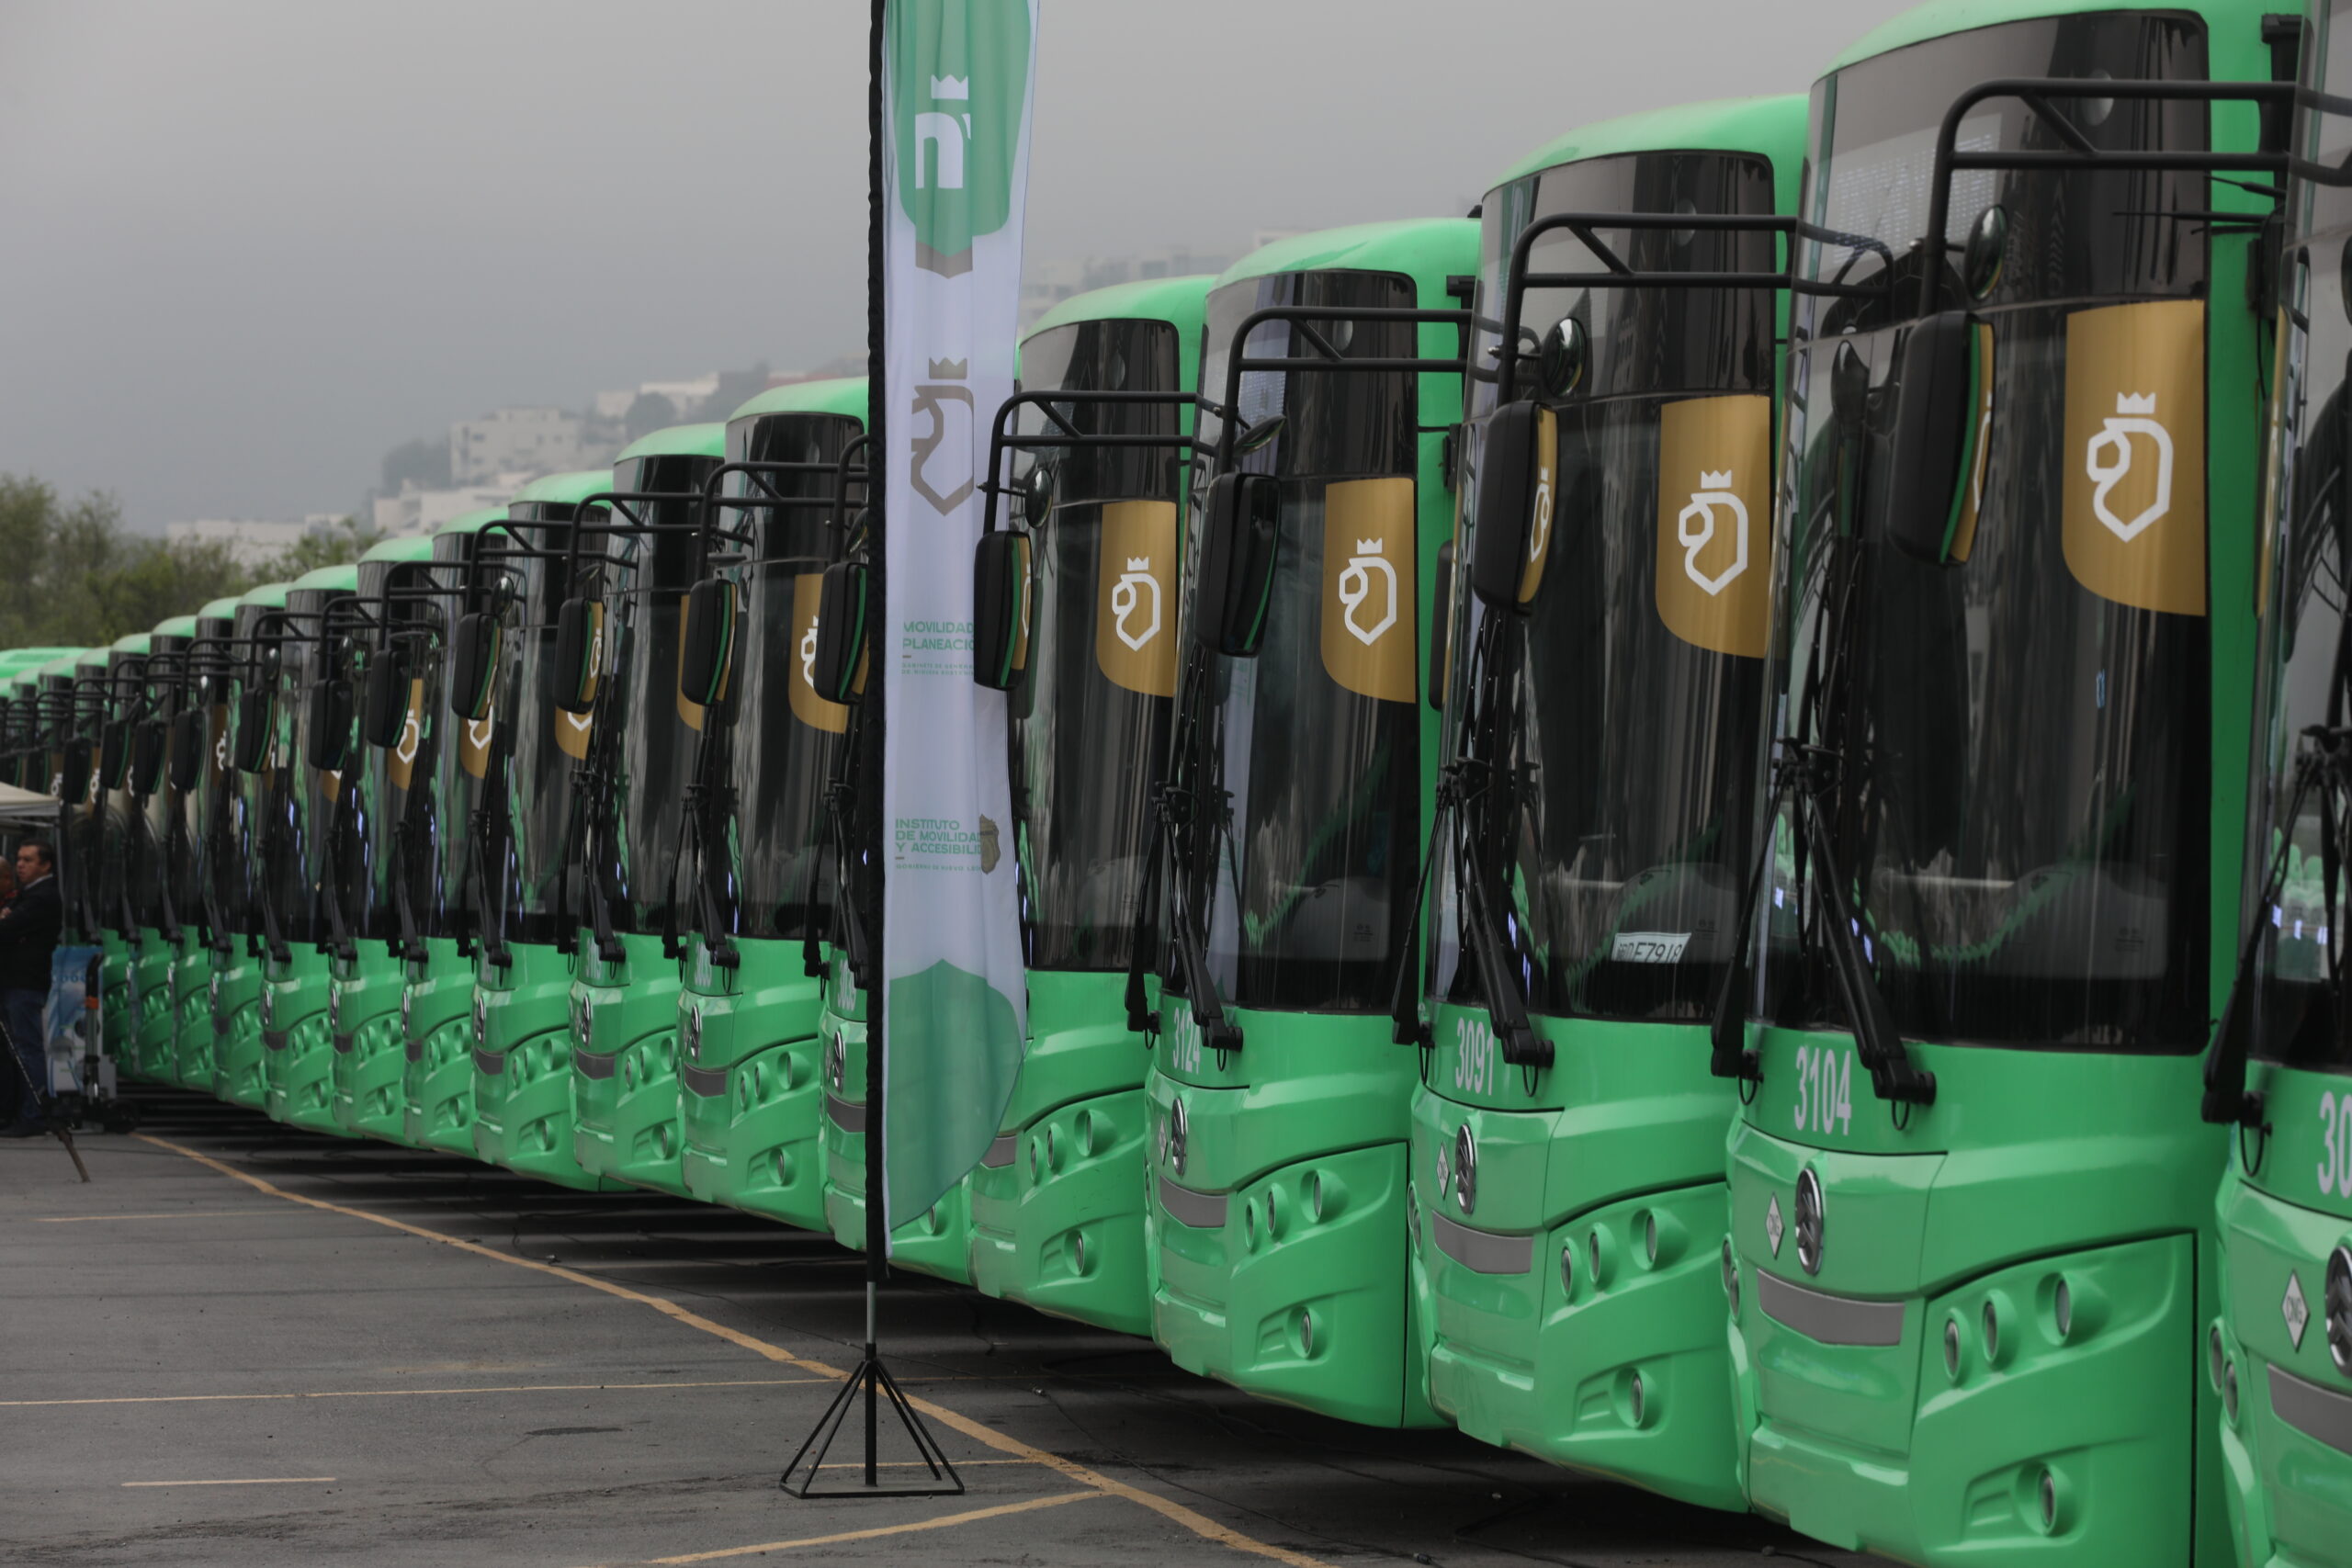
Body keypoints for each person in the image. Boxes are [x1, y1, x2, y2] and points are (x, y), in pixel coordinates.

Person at [0, 840, 62, 1136]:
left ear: (45, 865)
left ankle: (33, 1115)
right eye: (19, 859)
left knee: (27, 1050)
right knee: (17, 1050)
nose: (20, 865)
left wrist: (7, 920)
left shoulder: (43, 896)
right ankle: (19, 1112)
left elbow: (7, 928)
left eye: (28, 860)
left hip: (25, 982)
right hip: (13, 981)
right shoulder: (27, 894)